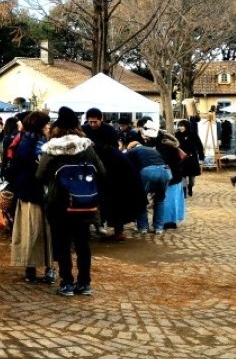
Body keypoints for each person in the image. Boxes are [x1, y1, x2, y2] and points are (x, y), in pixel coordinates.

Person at [36, 107, 106, 297]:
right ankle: (84, 283)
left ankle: (66, 283)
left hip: (59, 203)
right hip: (84, 203)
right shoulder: (86, 146)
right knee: (83, 243)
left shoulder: (51, 149)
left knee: (62, 243)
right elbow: (101, 171)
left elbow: (40, 175)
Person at [6, 111, 54, 283]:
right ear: (39, 126)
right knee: (38, 231)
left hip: (29, 193)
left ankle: (33, 268)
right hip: (35, 193)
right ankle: (40, 268)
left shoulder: (27, 140)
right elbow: (38, 170)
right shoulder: (35, 143)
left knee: (32, 231)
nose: (49, 127)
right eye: (46, 124)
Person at [81, 108, 120, 236]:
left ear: (101, 119)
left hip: (106, 167)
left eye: (95, 122)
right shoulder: (83, 129)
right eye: (90, 122)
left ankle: (103, 223)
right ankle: (89, 226)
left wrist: (96, 146)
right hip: (87, 168)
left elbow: (114, 148)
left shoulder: (110, 130)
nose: (92, 125)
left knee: (104, 197)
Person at [125, 139, 171, 236]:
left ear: (131, 148)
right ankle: (159, 228)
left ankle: (143, 227)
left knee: (141, 200)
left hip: (148, 172)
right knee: (160, 200)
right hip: (164, 171)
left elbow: (126, 164)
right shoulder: (151, 149)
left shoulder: (132, 151)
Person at [175, 120, 205, 197]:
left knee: (192, 175)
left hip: (192, 158)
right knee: (182, 175)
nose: (180, 128)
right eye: (179, 126)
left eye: (182, 126)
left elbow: (199, 146)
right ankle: (184, 190)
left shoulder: (193, 134)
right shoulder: (177, 135)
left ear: (186, 126)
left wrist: (201, 157)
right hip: (181, 158)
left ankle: (190, 187)